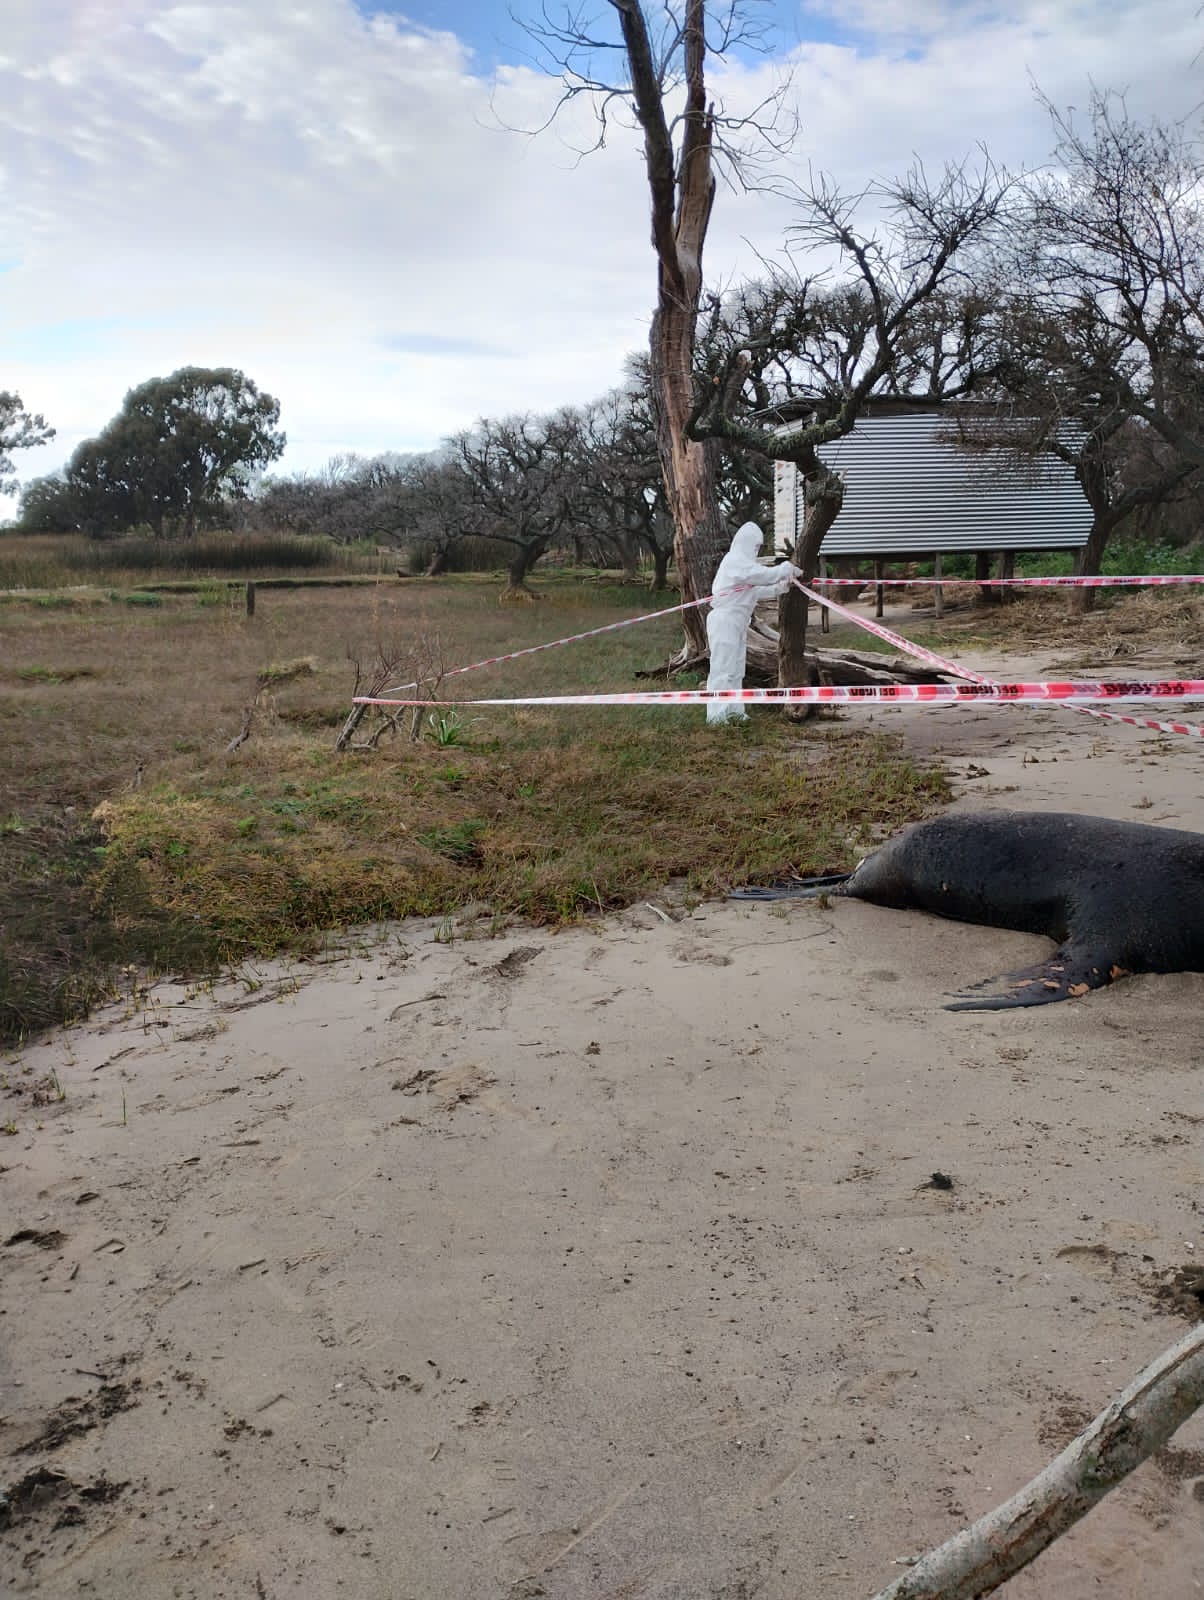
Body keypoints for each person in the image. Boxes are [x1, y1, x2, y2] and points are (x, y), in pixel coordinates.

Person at [704, 522, 801, 724]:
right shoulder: (735, 561)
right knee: (722, 668)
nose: (756, 550)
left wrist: (782, 586)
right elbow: (761, 576)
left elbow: (756, 590)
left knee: (737, 669)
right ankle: (716, 715)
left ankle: (735, 711)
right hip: (725, 620)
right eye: (755, 545)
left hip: (738, 622)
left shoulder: (743, 567)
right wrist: (784, 569)